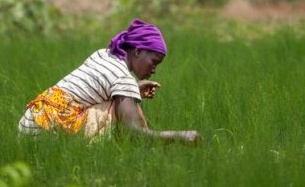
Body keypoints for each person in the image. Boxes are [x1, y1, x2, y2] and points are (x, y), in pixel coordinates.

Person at [18, 18, 200, 143]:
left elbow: (97, 88)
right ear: (137, 51)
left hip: (31, 123)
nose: (154, 69)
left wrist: (133, 89)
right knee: (124, 111)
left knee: (121, 102)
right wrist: (181, 136)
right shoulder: (122, 78)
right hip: (47, 133)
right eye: (154, 62)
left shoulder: (104, 54)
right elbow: (135, 134)